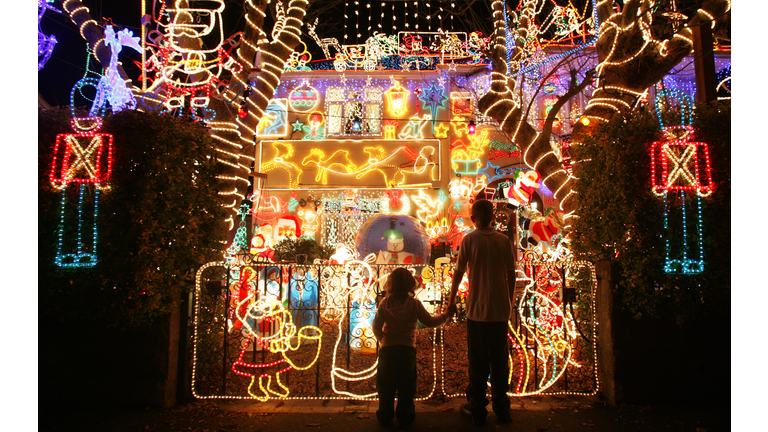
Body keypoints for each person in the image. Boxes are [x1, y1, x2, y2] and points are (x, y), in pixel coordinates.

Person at [447, 199, 516, 426]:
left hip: (477, 311)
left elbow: (458, 273)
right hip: (499, 311)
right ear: (494, 217)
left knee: (477, 362)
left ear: (473, 219)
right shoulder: (504, 241)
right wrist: (509, 300)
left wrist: (452, 300)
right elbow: (511, 274)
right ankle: (502, 408)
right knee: (499, 361)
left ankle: (477, 409)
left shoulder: (469, 240)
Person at [372, 267, 456, 429]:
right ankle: (406, 416)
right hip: (407, 350)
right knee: (406, 386)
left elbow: (376, 326)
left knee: (385, 386)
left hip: (388, 350)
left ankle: (384, 415)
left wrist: (382, 339)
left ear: (390, 284)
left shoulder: (385, 304)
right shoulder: (414, 304)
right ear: (410, 285)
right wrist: (446, 315)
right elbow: (430, 322)